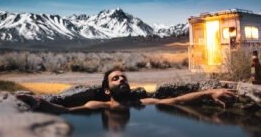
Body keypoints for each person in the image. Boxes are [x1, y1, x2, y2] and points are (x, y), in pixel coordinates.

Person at [17, 67, 236, 114]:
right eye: (115, 78)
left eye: (124, 77)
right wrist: (39, 103)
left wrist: (210, 92)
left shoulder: (143, 104)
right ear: (106, 90)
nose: (122, 79)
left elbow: (178, 99)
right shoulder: (97, 106)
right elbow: (64, 112)